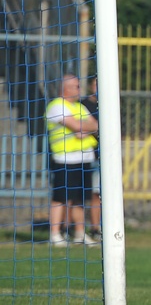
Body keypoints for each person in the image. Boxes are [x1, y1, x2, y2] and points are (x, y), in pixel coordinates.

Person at [46, 74, 99, 247]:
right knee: (61, 197)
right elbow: (77, 127)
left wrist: (84, 128)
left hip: (84, 159)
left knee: (79, 198)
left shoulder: (79, 107)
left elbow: (95, 124)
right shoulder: (56, 106)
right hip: (65, 159)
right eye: (76, 86)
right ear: (65, 88)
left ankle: (79, 233)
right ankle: (55, 234)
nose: (79, 89)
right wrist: (83, 128)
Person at [80, 77, 102, 240]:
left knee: (98, 193)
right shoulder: (83, 105)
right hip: (84, 155)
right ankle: (69, 229)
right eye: (96, 84)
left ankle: (96, 228)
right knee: (76, 195)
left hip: (102, 156)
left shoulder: (109, 104)